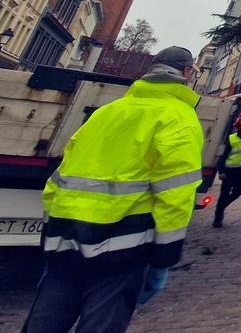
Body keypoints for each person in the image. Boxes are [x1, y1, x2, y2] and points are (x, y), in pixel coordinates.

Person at [22, 46, 203, 333]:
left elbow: (60, 176)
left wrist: (52, 228)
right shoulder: (180, 118)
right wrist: (164, 257)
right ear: (185, 74)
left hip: (65, 236)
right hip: (122, 245)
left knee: (45, 322)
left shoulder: (106, 112)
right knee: (102, 323)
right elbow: (176, 194)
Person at [212, 115, 241, 228]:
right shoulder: (232, 138)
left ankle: (222, 206)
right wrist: (221, 171)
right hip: (229, 170)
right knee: (224, 194)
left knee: (238, 191)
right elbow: (223, 156)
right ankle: (218, 219)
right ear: (240, 127)